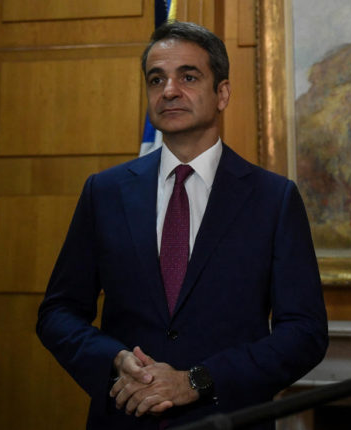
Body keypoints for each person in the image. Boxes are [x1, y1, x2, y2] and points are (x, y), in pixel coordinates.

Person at [36, 21, 328, 430]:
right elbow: (58, 312)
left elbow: (305, 333)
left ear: (222, 93)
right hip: (126, 417)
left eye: (188, 77)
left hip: (225, 418)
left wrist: (198, 381)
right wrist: (113, 361)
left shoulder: (273, 198)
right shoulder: (105, 192)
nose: (169, 90)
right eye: (157, 79)